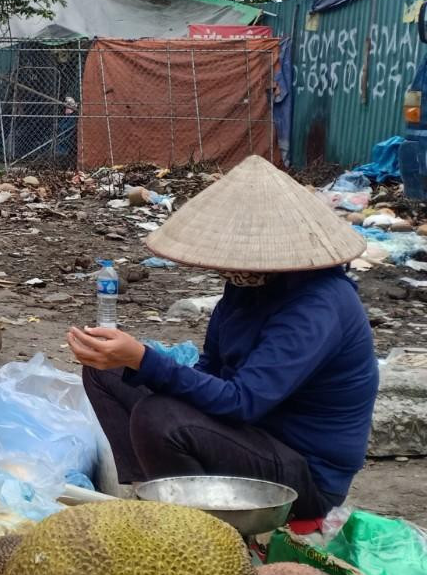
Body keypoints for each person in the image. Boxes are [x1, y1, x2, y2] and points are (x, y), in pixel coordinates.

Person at [67, 155, 377, 521]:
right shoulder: (246, 289)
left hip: (304, 475)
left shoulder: (318, 307)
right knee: (106, 373)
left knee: (159, 417)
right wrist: (131, 360)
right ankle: (154, 500)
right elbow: (212, 370)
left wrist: (144, 359)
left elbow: (243, 401)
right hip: (247, 434)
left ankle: (198, 532)